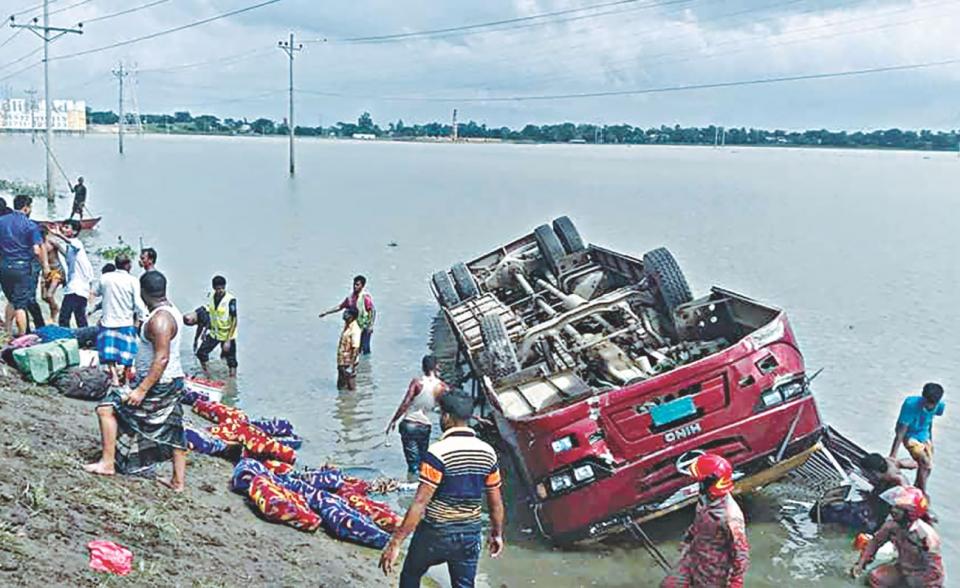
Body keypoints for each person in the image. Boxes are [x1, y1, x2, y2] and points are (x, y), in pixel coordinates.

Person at [379, 389, 505, 588]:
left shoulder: (437, 452)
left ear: (446, 417)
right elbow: (495, 502)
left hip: (436, 532)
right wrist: (497, 533)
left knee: (411, 574)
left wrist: (395, 543)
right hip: (470, 533)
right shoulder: (488, 453)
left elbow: (420, 502)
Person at [84, 271, 187, 491]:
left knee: (106, 408)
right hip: (172, 380)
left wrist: (141, 389)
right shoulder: (170, 311)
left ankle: (107, 463)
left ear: (143, 292)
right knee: (174, 427)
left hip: (160, 384)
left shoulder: (160, 320)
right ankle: (177, 481)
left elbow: (162, 358)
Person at [661, 453, 750, 588]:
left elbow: (741, 554)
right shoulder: (705, 498)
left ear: (710, 482)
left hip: (713, 573)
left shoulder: (730, 518)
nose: (696, 483)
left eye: (699, 481)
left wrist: (735, 583)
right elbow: (699, 522)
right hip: (693, 557)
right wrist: (687, 540)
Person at [850, 485, 944, 587]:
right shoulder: (891, 526)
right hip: (903, 568)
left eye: (899, 509)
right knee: (876, 578)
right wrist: (861, 563)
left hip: (924, 575)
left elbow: (934, 565)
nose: (893, 511)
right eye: (894, 507)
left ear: (910, 513)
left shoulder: (924, 534)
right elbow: (875, 542)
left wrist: (931, 584)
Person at [386, 355, 450, 475]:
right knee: (422, 462)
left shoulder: (417, 383)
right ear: (436, 367)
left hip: (409, 424)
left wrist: (393, 420)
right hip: (425, 426)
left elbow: (406, 403)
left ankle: (411, 483)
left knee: (413, 464)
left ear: (423, 367)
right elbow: (449, 406)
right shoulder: (442, 387)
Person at [0, 195, 49, 336]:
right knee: (20, 305)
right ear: (26, 208)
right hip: (22, 267)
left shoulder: (1, 221)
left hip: (4, 266)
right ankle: (23, 337)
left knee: (11, 300)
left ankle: (8, 333)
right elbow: (37, 250)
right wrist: (45, 267)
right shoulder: (30, 225)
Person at [94, 254, 145, 386]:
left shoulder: (105, 278)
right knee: (128, 354)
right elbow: (137, 302)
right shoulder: (133, 280)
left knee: (109, 353)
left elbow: (95, 293)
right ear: (128, 265)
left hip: (108, 322)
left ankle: (115, 378)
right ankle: (126, 380)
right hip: (125, 322)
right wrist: (143, 317)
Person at [890, 383, 945, 492]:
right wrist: (893, 454)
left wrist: (930, 441)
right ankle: (923, 492)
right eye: (928, 403)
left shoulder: (940, 406)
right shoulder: (910, 404)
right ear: (923, 397)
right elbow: (901, 430)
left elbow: (930, 421)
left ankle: (917, 486)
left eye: (933, 404)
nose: (930, 406)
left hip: (923, 435)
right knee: (924, 460)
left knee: (927, 467)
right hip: (909, 434)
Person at [47, 220, 94, 328]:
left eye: (67, 227)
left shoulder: (77, 243)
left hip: (76, 287)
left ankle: (66, 336)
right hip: (80, 287)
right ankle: (85, 336)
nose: (63, 229)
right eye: (63, 227)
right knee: (80, 316)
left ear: (75, 232)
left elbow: (72, 244)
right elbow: (68, 256)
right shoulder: (71, 247)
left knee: (64, 316)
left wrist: (59, 234)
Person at [320, 275, 375, 354]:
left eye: (357, 285)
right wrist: (326, 312)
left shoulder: (365, 298)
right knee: (355, 346)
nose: (355, 286)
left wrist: (370, 325)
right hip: (356, 325)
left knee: (365, 347)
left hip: (365, 325)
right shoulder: (350, 298)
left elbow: (372, 311)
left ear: (362, 286)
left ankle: (365, 361)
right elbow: (340, 307)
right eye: (354, 284)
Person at [195, 275, 238, 377]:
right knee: (201, 353)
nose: (220, 290)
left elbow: (234, 320)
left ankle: (232, 380)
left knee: (231, 360)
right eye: (218, 288)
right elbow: (211, 315)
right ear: (214, 287)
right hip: (214, 333)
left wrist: (228, 340)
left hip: (226, 334)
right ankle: (207, 374)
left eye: (222, 288)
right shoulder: (211, 297)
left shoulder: (230, 300)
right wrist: (205, 331)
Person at [39, 225, 64, 322]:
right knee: (44, 297)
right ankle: (54, 308)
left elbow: (65, 253)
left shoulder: (51, 241)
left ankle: (54, 314)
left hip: (57, 271)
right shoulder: (37, 244)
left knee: (49, 295)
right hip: (46, 272)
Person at [337, 308, 362, 391]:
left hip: (348, 363)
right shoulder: (347, 326)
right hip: (342, 361)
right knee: (341, 386)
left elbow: (356, 348)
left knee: (351, 387)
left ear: (352, 317)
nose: (345, 315)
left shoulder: (355, 330)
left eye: (348, 314)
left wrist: (351, 365)